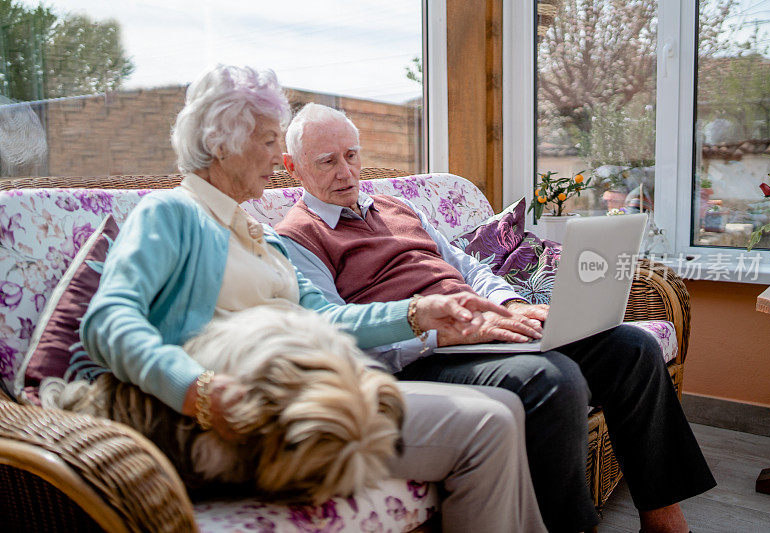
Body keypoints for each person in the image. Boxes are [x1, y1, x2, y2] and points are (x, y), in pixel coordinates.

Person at [79, 65, 544, 533]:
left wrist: (418, 313)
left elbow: (326, 318)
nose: (275, 156)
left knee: (503, 408)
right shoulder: (172, 212)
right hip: (249, 412)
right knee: (488, 425)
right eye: (265, 141)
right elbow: (107, 320)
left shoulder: (261, 235)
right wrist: (196, 389)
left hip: (311, 388)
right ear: (221, 144)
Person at [275, 103, 718, 533]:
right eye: (327, 161)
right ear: (292, 166)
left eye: (351, 156)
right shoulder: (294, 238)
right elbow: (341, 332)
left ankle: (664, 523)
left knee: (630, 347)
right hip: (423, 357)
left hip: (483, 329)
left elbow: (467, 267)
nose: (346, 172)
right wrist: (438, 333)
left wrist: (511, 306)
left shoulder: (397, 207)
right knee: (553, 378)